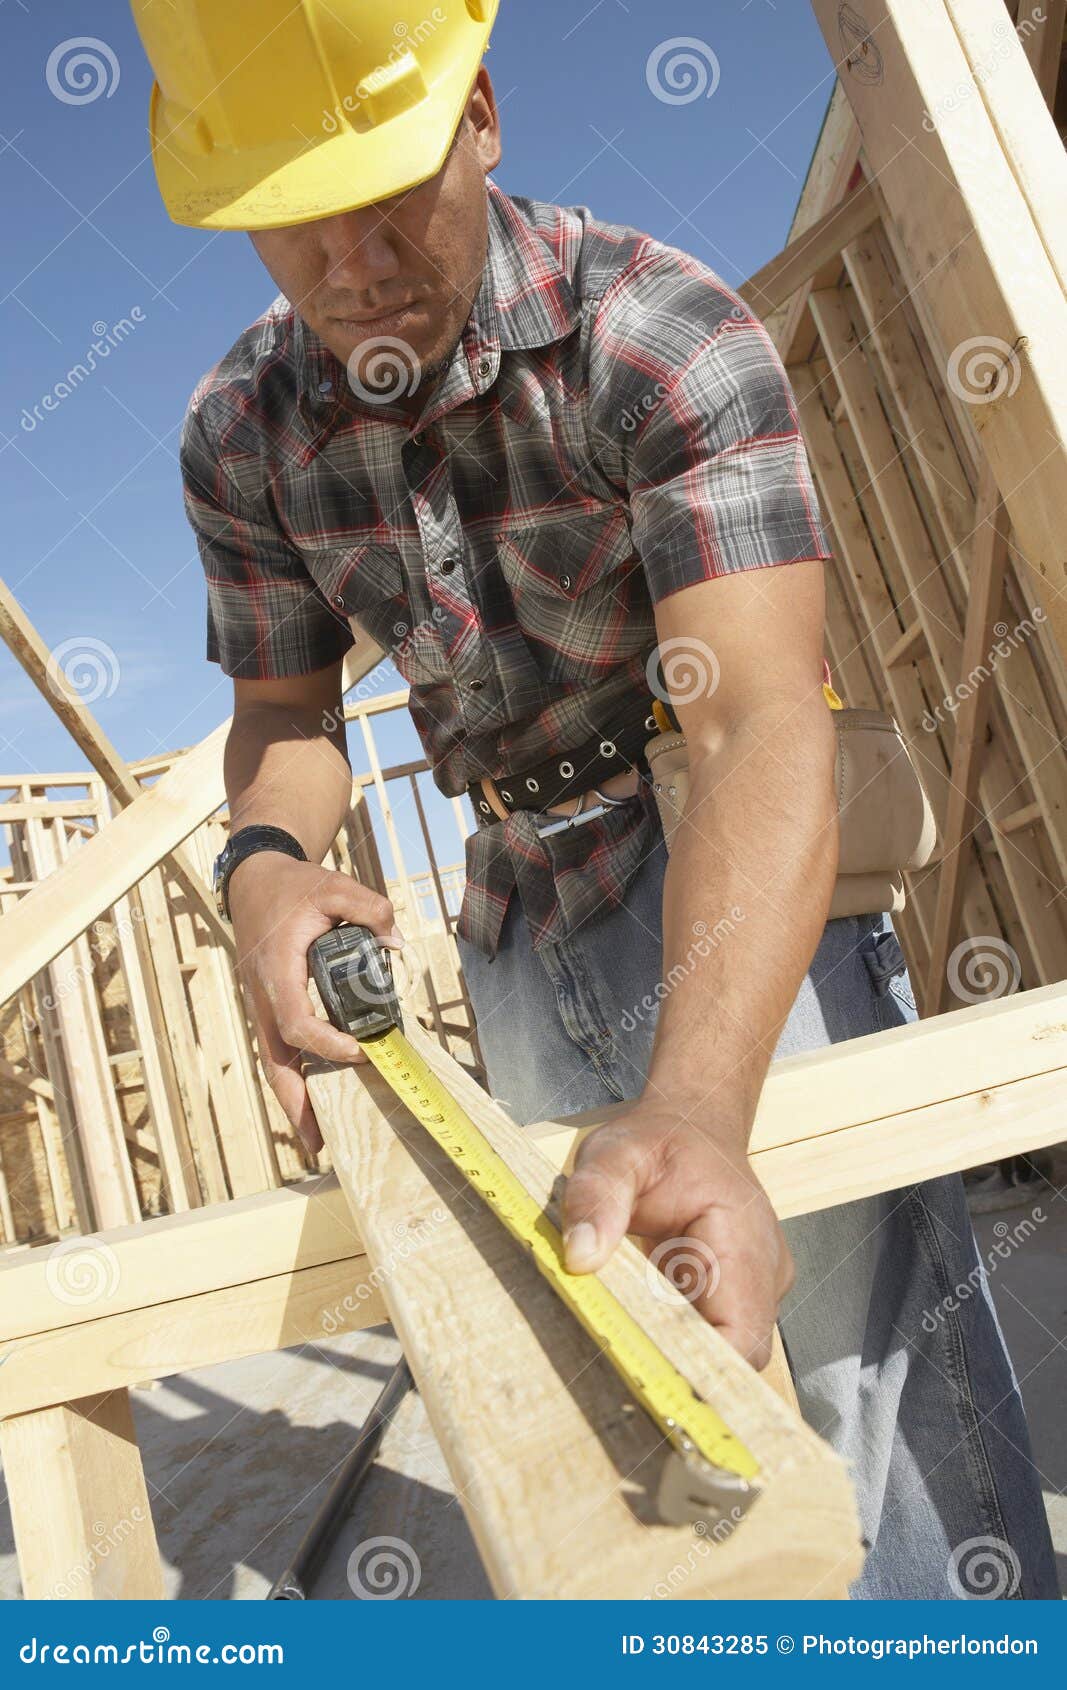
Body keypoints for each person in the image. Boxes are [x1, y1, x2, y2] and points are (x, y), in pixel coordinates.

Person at [132, 0, 1058, 1599]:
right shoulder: (241, 435)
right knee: (618, 1387)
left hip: (725, 862)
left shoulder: (662, 331)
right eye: (293, 217)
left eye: (383, 191)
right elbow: (285, 709)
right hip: (508, 906)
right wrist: (268, 863)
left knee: (864, 1375)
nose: (349, 260)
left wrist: (703, 1105)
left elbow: (766, 712)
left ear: (480, 115)